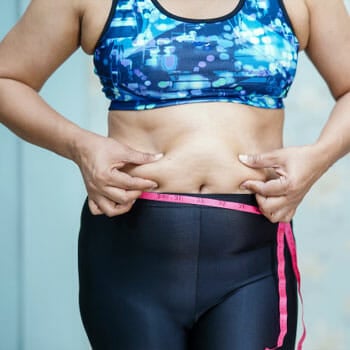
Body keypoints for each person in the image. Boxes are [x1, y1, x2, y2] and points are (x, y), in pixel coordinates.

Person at [0, 0, 349, 349]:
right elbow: (7, 78)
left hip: (254, 258)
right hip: (129, 257)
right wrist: (80, 145)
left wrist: (318, 158)